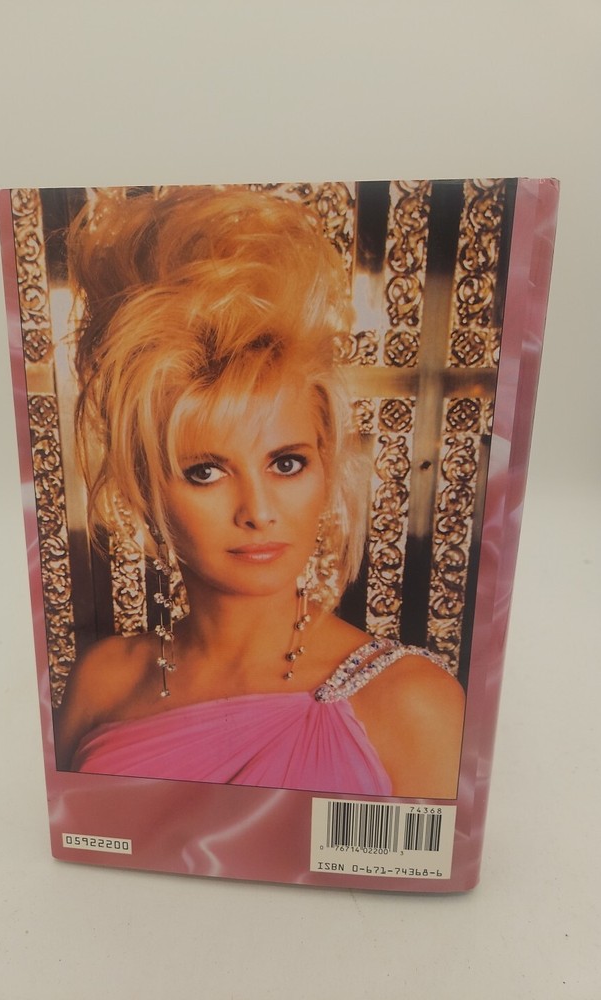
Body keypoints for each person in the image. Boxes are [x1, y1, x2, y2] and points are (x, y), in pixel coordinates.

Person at [54, 185, 465, 799]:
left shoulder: (414, 702)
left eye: (287, 463)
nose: (259, 511)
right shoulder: (101, 680)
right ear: (144, 486)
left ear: (326, 464)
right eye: (206, 471)